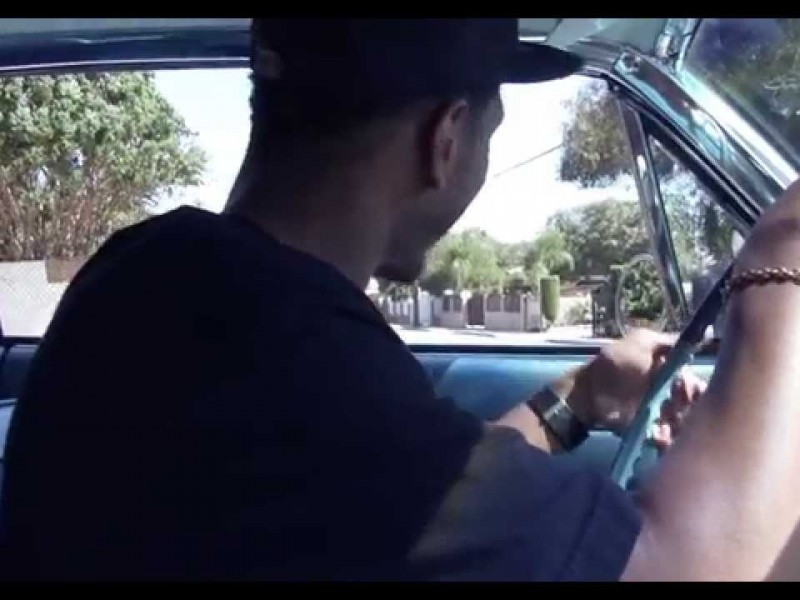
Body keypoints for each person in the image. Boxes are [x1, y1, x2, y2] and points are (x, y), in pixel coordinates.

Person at [0, 17, 797, 581]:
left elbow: (422, 491)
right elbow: (695, 568)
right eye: (489, 134)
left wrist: (582, 395)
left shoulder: (154, 281)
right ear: (445, 141)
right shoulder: (293, 362)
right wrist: (777, 256)